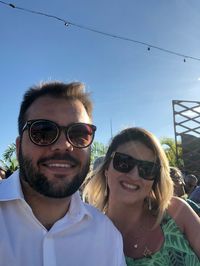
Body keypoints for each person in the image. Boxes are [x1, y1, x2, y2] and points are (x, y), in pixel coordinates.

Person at [0, 81, 126, 266]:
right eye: (43, 132)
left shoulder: (106, 235)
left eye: (79, 134)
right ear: (19, 147)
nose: (63, 145)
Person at [84, 127, 200, 265]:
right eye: (124, 162)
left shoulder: (176, 213)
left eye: (147, 169)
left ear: (155, 179)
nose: (134, 176)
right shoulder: (90, 237)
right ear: (106, 169)